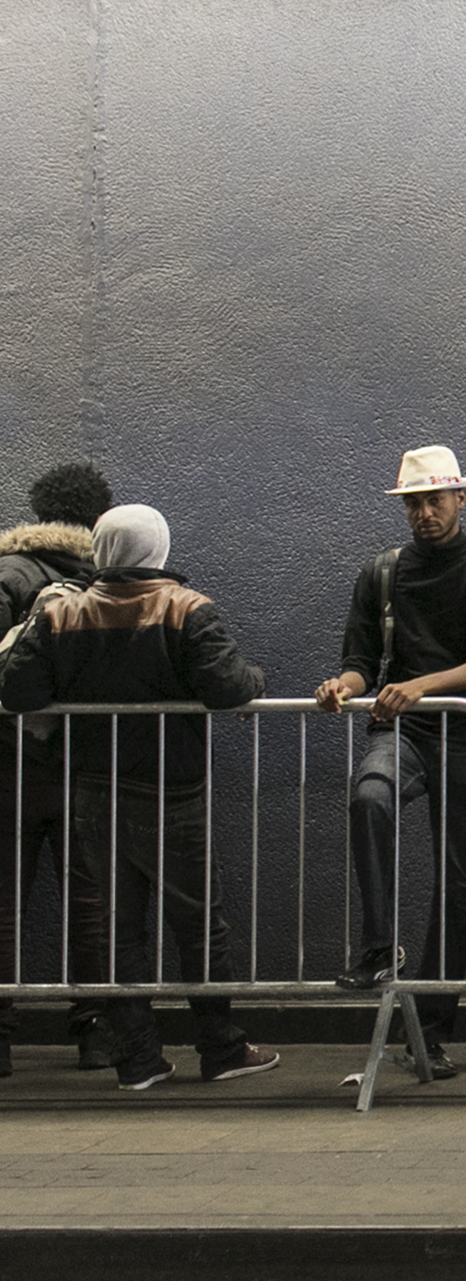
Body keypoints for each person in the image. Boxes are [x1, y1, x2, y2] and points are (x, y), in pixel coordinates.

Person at [0, 504, 277, 1090]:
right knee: (199, 924)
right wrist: (258, 680)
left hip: (94, 791)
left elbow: (18, 690)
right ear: (160, 550)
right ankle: (220, 1048)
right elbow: (229, 687)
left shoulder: (62, 612)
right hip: (172, 792)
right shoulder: (187, 609)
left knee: (120, 929)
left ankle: (138, 1060)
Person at [316, 445, 466, 1080]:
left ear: (461, 498)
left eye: (435, 500)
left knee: (455, 886)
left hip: (464, 731)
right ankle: (380, 945)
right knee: (369, 796)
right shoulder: (381, 573)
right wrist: (344, 685)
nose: (424, 513)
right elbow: (361, 658)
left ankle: (430, 1031)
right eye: (414, 503)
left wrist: (423, 685)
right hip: (401, 729)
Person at [1, 459, 112, 1074]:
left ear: (39, 514)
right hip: (86, 765)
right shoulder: (108, 580)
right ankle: (96, 1031)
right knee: (90, 901)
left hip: (8, 765)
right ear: (98, 519)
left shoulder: (7, 573)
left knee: (1, 902)